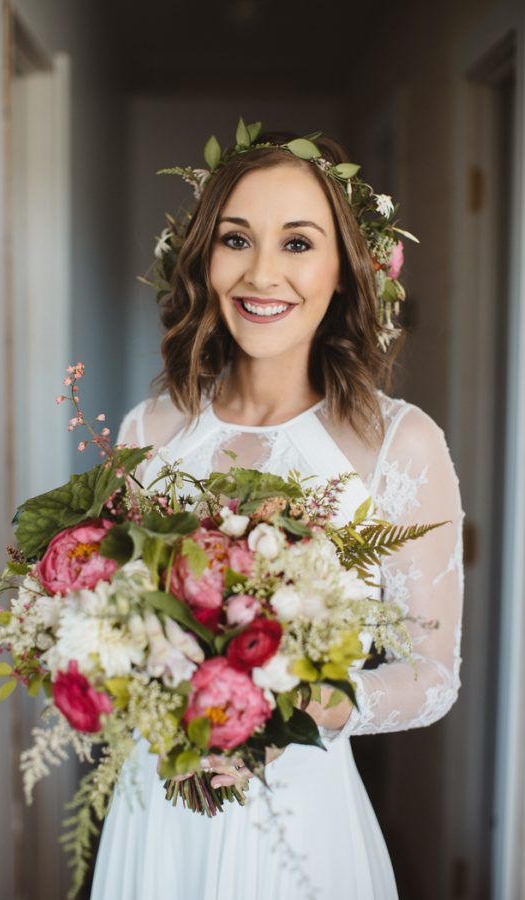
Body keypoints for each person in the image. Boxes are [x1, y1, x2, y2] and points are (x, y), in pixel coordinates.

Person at [90, 123, 465, 899]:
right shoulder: (148, 429)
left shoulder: (401, 446)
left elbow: (432, 676)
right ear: (201, 258)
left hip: (301, 825)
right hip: (155, 816)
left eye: (298, 243)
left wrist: (295, 707)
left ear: (345, 270)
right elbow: (114, 623)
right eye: (236, 238)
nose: (263, 273)